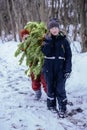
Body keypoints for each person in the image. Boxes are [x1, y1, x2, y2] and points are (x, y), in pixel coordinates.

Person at [41, 18, 72, 118]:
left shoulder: (64, 40)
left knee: (60, 89)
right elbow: (45, 52)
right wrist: (49, 41)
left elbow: (68, 56)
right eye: (52, 28)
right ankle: (51, 106)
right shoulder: (45, 40)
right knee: (50, 88)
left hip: (60, 68)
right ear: (49, 29)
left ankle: (62, 108)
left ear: (59, 28)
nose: (54, 30)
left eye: (56, 27)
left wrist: (68, 69)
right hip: (48, 68)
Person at [20, 29, 47, 100]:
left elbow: (42, 43)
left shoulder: (36, 41)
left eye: (27, 35)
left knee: (44, 79)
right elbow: (22, 48)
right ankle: (38, 93)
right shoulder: (25, 44)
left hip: (41, 63)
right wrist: (23, 41)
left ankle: (49, 94)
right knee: (34, 79)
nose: (26, 37)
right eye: (24, 36)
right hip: (32, 64)